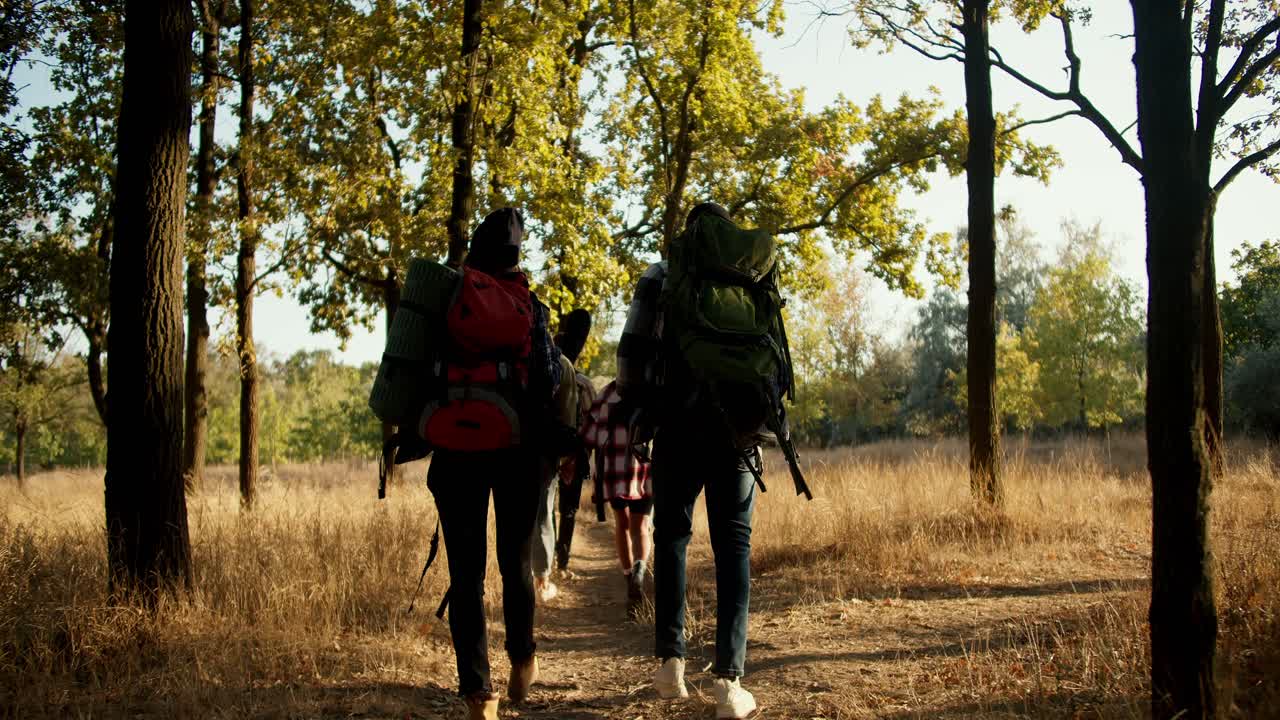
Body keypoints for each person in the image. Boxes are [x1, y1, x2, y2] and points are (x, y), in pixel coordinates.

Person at [618, 202, 764, 720]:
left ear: (688, 234)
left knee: (672, 538)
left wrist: (638, 415)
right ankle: (730, 683)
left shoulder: (661, 275)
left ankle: (670, 666)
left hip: (676, 426)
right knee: (734, 546)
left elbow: (632, 351)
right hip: (738, 432)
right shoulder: (749, 273)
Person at [426, 207, 561, 720]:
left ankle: (478, 694)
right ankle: (522, 660)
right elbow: (547, 382)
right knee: (515, 564)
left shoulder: (447, 298)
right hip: (516, 451)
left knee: (465, 573)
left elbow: (418, 374)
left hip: (455, 449)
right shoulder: (532, 305)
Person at [530, 309, 593, 601]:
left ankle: (524, 575)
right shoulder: (564, 367)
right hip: (550, 454)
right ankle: (543, 578)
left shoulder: (509, 354)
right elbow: (573, 419)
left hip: (509, 447)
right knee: (547, 512)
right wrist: (571, 457)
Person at [580, 379, 653, 615]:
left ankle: (628, 576)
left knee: (621, 523)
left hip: (613, 469)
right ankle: (640, 570)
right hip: (644, 469)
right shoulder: (652, 389)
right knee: (641, 526)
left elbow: (590, 434)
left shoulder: (609, 393)